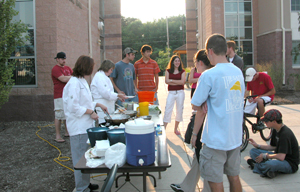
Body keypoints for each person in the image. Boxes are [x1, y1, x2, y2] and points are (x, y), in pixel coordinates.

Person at [191, 34, 245, 192]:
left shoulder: (209, 75)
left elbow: (195, 104)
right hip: (234, 137)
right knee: (234, 177)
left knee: (215, 182)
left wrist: (205, 102)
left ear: (210, 51)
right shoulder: (237, 72)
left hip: (215, 140)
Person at [63, 55, 108, 192]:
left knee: (86, 158)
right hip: (78, 128)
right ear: (86, 67)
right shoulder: (73, 83)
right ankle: (81, 188)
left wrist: (99, 104)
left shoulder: (82, 80)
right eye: (92, 66)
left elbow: (86, 101)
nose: (93, 69)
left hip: (86, 126)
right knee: (79, 160)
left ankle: (86, 183)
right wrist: (91, 112)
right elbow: (74, 107)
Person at [170, 49, 212, 192]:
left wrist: (194, 134)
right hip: (215, 125)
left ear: (200, 62)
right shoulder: (225, 74)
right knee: (199, 157)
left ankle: (204, 189)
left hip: (206, 125)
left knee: (205, 159)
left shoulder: (206, 77)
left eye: (195, 63)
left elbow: (198, 107)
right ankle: (187, 186)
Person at [247, 109, 299, 178]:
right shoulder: (275, 129)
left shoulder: (285, 134)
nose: (265, 122)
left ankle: (257, 165)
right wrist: (258, 145)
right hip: (278, 157)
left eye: (266, 121)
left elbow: (281, 157)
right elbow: (273, 147)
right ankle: (268, 169)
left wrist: (265, 156)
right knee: (253, 151)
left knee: (270, 164)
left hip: (289, 163)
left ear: (274, 121)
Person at [91, 60, 127, 125]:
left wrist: (118, 97)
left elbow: (109, 93)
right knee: (104, 125)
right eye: (111, 69)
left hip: (107, 106)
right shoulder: (100, 77)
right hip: (102, 107)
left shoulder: (103, 76)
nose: (111, 72)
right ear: (107, 68)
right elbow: (106, 94)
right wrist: (118, 95)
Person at [51, 52, 72, 143]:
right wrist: (71, 77)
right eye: (62, 59)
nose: (64, 61)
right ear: (57, 59)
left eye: (64, 59)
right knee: (59, 115)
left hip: (67, 95)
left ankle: (67, 132)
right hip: (59, 94)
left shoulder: (67, 68)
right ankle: (58, 135)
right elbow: (63, 79)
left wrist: (69, 77)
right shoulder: (55, 69)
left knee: (66, 114)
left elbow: (73, 77)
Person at [163, 55, 186, 135]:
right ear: (172, 62)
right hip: (171, 93)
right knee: (168, 109)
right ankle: (164, 129)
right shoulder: (168, 71)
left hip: (180, 92)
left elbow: (182, 82)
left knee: (179, 110)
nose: (177, 62)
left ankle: (176, 129)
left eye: (178, 61)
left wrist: (171, 80)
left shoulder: (182, 71)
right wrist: (177, 81)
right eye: (175, 61)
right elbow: (166, 81)